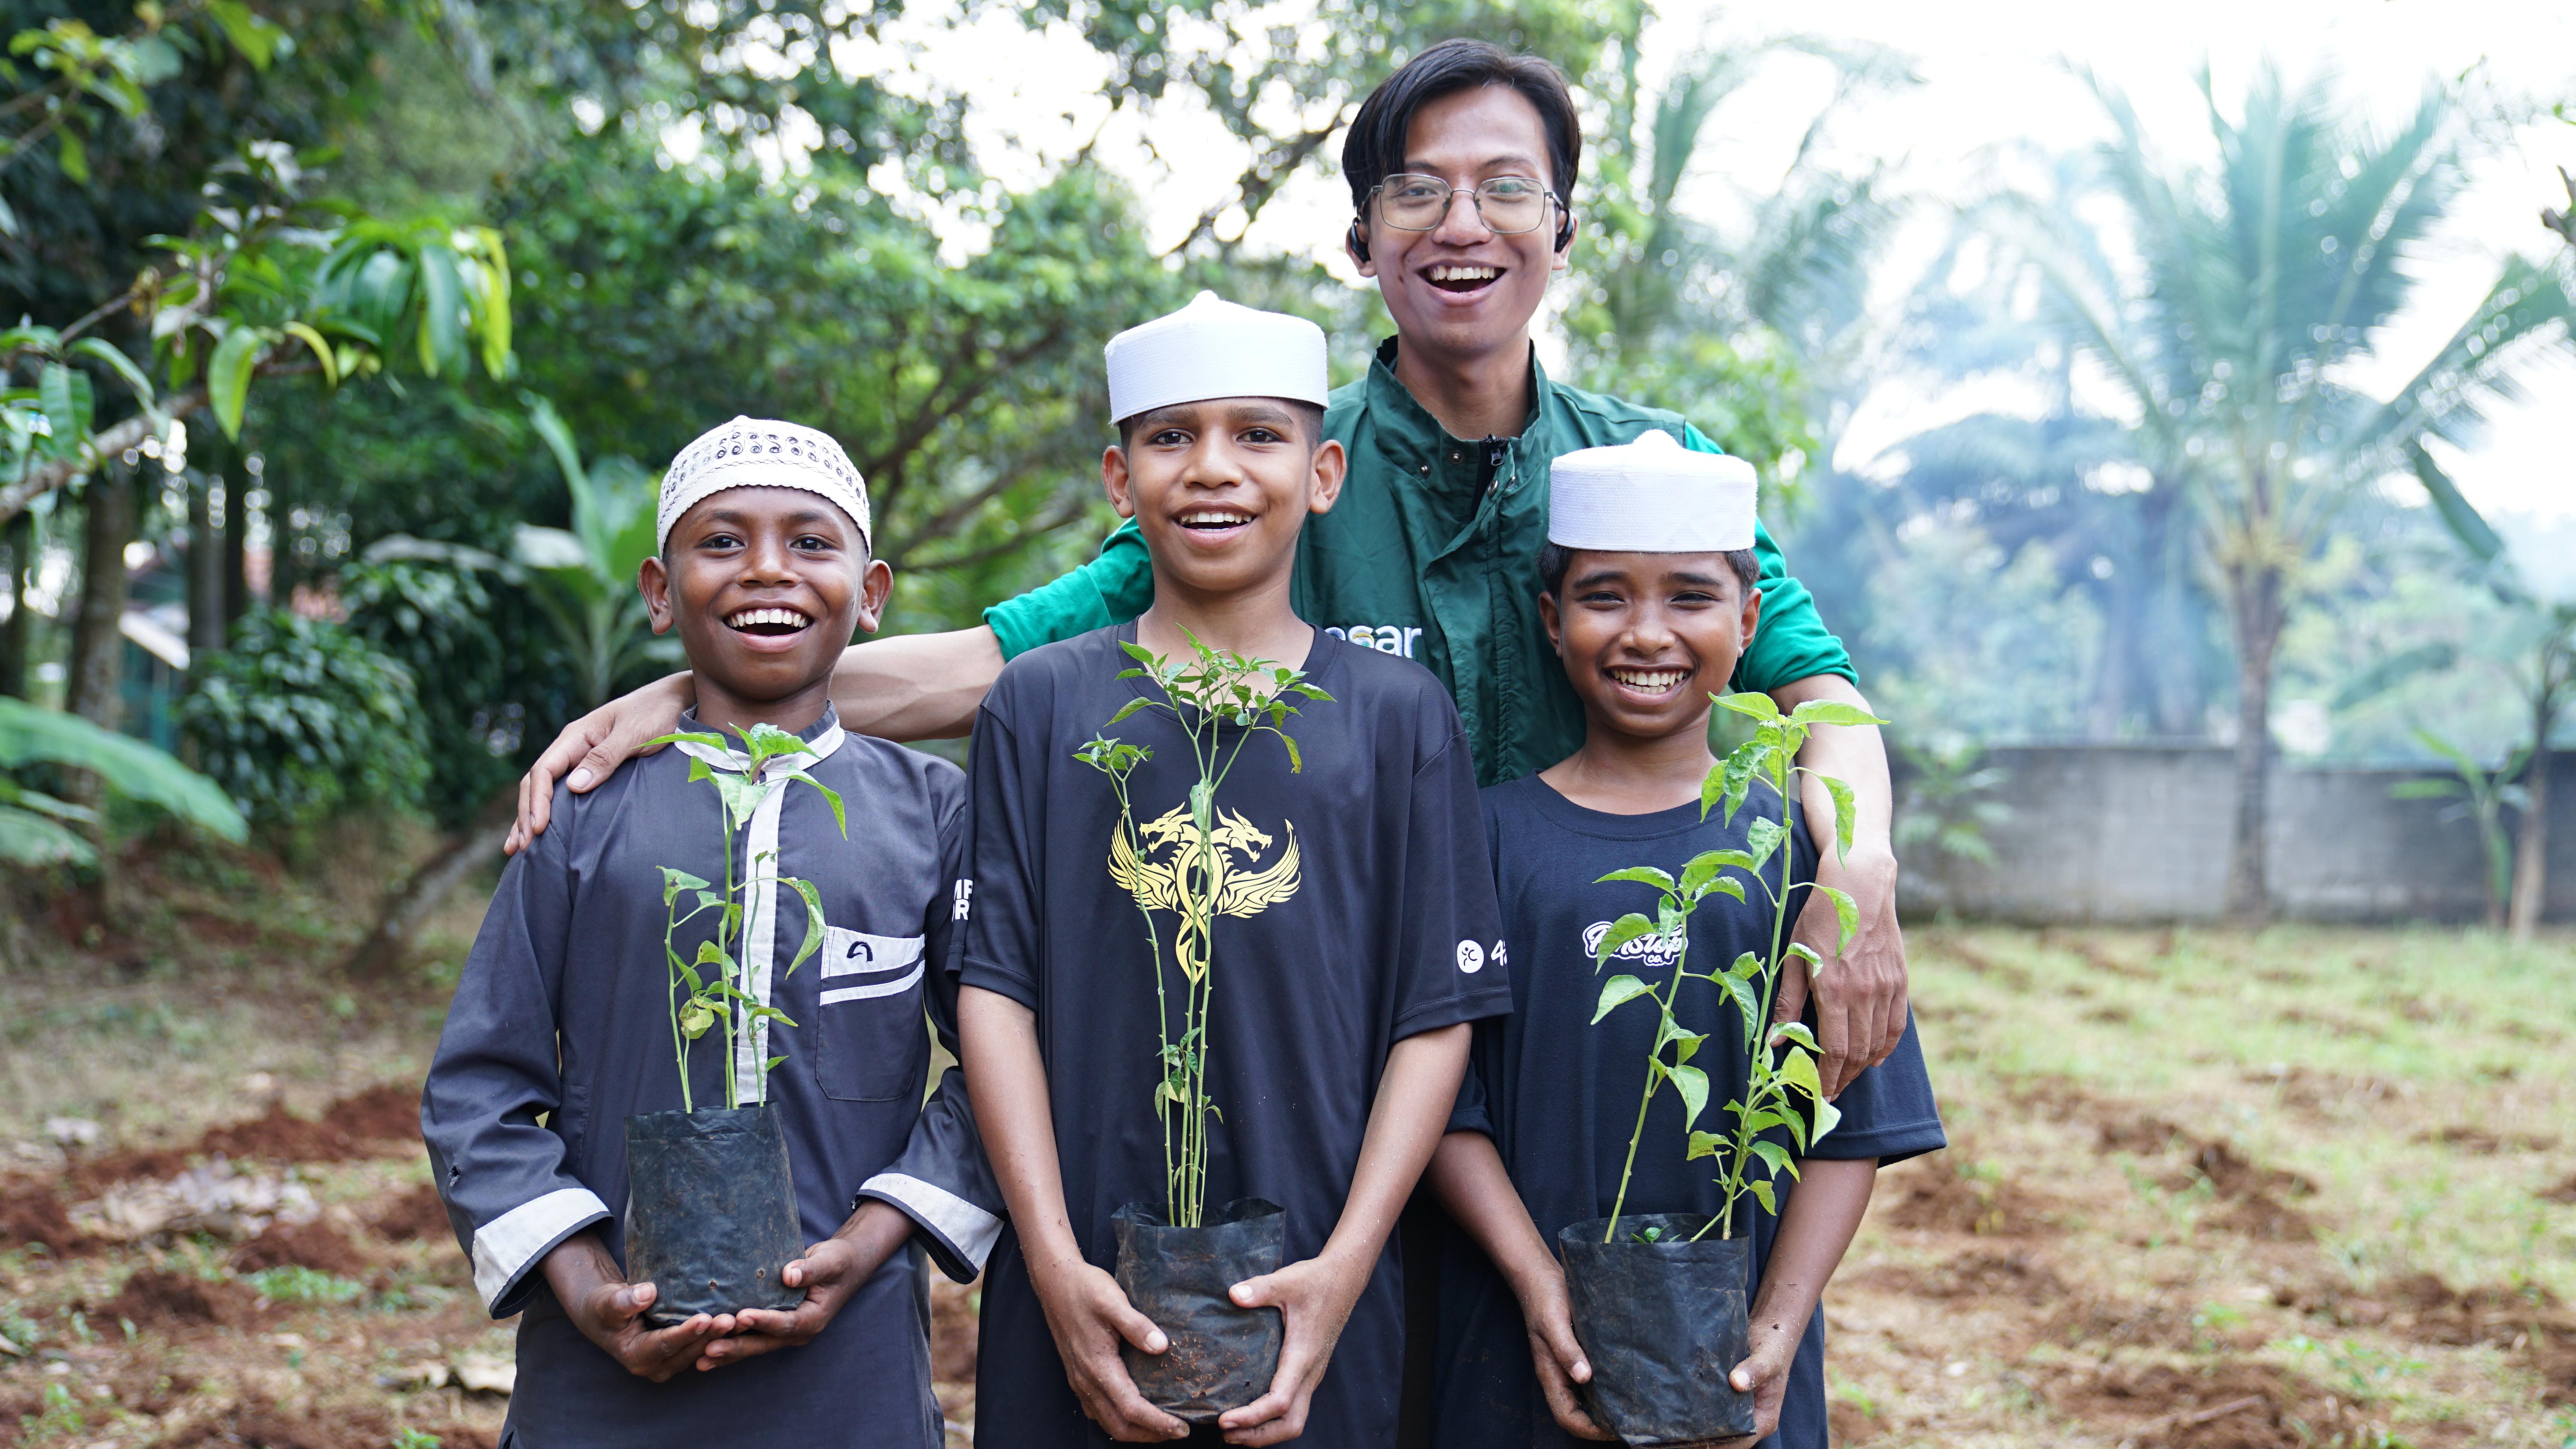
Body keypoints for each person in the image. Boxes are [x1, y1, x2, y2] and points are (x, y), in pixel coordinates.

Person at [506, 39, 1906, 1101]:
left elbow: (1819, 695)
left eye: (1505, 189)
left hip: (1596, 991)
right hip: (1334, 1027)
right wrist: (715, 696)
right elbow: (994, 663)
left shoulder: (1653, 483)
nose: (1460, 223)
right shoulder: (1276, 479)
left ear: (1564, 228)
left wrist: (1862, 869)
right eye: (1414, 191)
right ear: (1364, 243)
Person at [952, 294, 1507, 1447]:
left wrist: (1349, 1266)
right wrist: (1052, 1263)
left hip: (1315, 1271)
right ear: (1119, 480)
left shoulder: (1398, 716)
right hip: (1080, 1273)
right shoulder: (1042, 703)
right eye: (1171, 436)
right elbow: (992, 989)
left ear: (1324, 473)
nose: (1214, 468)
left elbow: (1436, 1014)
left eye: (1258, 435)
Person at [421, 417, 1004, 1448]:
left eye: (812, 543)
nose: (767, 570)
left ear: (872, 596)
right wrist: (582, 1274)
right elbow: (481, 1085)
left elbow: (998, 1067)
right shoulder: (583, 811)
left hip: (852, 1360)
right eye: (723, 541)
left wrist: (870, 1241)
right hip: (599, 1377)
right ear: (659, 590)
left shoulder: (934, 812)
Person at [1423, 433, 1944, 1449]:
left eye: (1692, 598)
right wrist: (1539, 1286)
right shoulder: (1478, 837)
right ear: (1551, 618)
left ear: (1750, 622)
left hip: (1737, 1371)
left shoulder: (1797, 854)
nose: (1647, 634)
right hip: (1511, 1356)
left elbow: (1852, 1118)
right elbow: (1445, 1101)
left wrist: (1777, 1328)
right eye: (1606, 595)